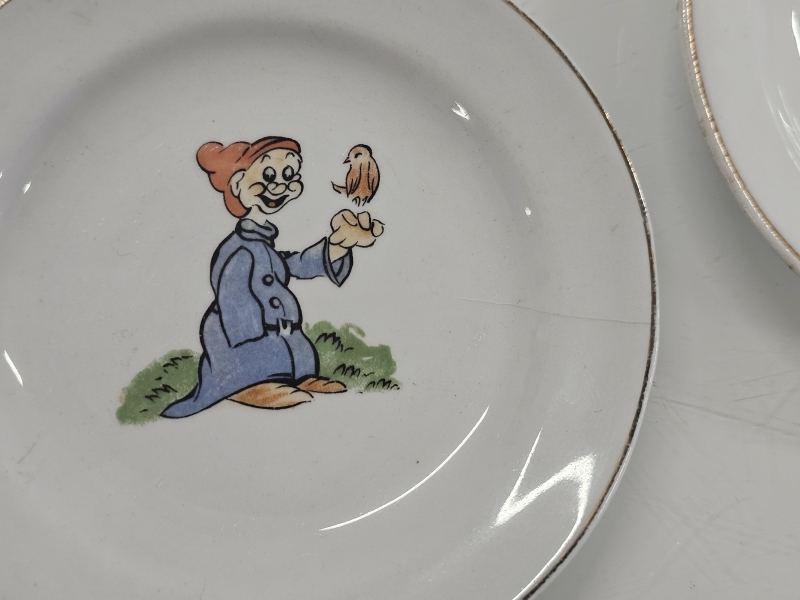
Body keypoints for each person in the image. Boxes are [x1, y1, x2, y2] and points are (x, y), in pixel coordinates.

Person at [161, 136, 384, 418]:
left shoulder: (262, 245)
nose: (280, 185)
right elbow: (233, 297)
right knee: (259, 358)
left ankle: (299, 377)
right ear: (237, 185)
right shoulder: (238, 250)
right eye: (268, 175)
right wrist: (258, 330)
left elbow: (294, 264)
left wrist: (338, 245)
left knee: (294, 352)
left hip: (279, 331)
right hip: (240, 339)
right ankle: (248, 386)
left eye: (289, 175)